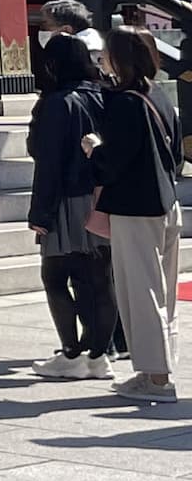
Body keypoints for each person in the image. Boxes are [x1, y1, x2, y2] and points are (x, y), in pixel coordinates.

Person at [85, 25, 181, 401]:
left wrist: (94, 149)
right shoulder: (158, 95)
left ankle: (156, 378)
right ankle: (160, 368)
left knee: (141, 292)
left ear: (117, 58)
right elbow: (175, 155)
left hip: (135, 206)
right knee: (162, 292)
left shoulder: (124, 102)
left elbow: (115, 162)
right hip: (166, 202)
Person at [25, 27, 123, 381]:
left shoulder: (57, 103)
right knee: (99, 278)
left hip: (67, 199)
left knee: (54, 276)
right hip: (103, 196)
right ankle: (99, 353)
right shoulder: (105, 95)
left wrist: (40, 213)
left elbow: (48, 162)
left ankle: (71, 352)